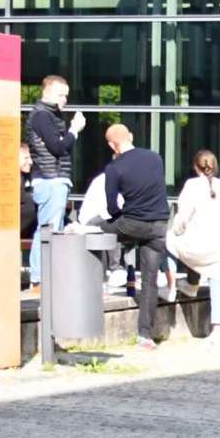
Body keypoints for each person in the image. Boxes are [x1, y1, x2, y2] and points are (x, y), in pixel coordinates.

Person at [94, 124, 170, 349]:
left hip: (132, 224)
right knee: (150, 279)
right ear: (131, 136)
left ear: (111, 145)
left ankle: (113, 271)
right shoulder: (155, 158)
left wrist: (120, 220)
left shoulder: (114, 168)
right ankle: (145, 335)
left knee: (95, 227)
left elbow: (110, 206)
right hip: (158, 225)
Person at [168, 150, 220, 346]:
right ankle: (217, 332)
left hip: (198, 247)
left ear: (195, 167)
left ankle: (173, 285)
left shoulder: (192, 186)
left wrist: (177, 230)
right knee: (219, 284)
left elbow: (182, 218)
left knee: (167, 240)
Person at [24, 74, 83, 290]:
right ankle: (39, 279)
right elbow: (58, 148)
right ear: (46, 92)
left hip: (53, 179)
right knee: (48, 229)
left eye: (66, 96)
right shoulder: (42, 116)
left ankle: (43, 278)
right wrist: (74, 130)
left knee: (52, 229)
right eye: (61, 95)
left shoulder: (49, 115)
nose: (64, 100)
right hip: (50, 179)